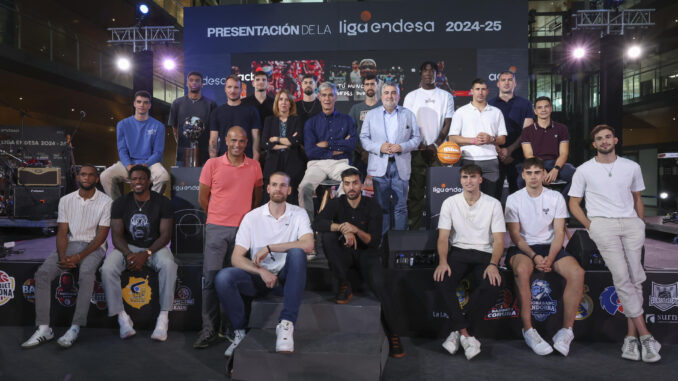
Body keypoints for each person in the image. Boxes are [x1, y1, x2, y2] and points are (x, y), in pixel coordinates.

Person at [569, 125, 661, 363]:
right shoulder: (583, 170)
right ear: (594, 144)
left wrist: (640, 223)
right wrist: (590, 226)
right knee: (622, 277)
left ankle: (631, 339)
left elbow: (637, 198)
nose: (604, 141)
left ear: (616, 140)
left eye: (608, 137)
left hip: (631, 225)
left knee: (636, 278)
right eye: (599, 138)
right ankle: (646, 335)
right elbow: (573, 203)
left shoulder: (632, 167)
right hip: (603, 225)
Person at [215, 172, 314, 356]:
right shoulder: (252, 217)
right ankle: (240, 332)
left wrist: (270, 248)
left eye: (282, 185)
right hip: (259, 278)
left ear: (289, 190)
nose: (278, 189)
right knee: (223, 277)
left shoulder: (298, 213)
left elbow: (308, 244)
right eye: (274, 185)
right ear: (268, 188)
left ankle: (286, 324)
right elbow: (236, 258)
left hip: (286, 278)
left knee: (297, 253)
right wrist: (261, 271)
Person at [313, 168, 405, 358]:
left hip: (367, 254)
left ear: (361, 185)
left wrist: (355, 230)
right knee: (328, 238)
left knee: (382, 287)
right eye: (347, 183)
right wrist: (341, 228)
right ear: (343, 186)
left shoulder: (373, 206)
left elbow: (373, 240)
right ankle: (344, 283)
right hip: (345, 253)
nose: (351, 187)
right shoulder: (337, 203)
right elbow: (318, 223)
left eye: (355, 183)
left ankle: (394, 334)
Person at [21, 165, 112, 349]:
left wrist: (79, 257)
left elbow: (101, 237)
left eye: (91, 175)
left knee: (86, 273)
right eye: (83, 174)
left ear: (96, 179)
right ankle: (44, 328)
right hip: (71, 244)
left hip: (95, 247)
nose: (86, 178)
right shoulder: (66, 200)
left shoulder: (106, 201)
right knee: (43, 274)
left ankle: (75, 327)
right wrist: (63, 256)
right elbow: (62, 232)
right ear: (78, 177)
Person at [505, 157, 585, 356]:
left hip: (550, 247)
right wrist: (534, 257)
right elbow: (515, 236)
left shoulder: (555, 198)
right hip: (524, 248)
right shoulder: (514, 199)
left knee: (577, 273)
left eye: (537, 172)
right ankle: (529, 330)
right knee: (523, 270)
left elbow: (559, 233)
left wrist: (550, 256)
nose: (533, 176)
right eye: (529, 173)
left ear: (544, 174)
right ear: (523, 175)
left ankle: (566, 331)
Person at [194, 126, 263, 348]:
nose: (237, 145)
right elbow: (203, 198)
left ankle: (234, 327)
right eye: (233, 140)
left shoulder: (254, 166)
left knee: (238, 281)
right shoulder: (212, 164)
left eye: (242, 141)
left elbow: (257, 199)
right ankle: (209, 330)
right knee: (212, 280)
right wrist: (217, 217)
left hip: (244, 232)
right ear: (225, 141)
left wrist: (245, 223)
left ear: (246, 143)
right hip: (216, 228)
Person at [433, 164, 505, 360]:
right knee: (442, 279)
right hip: (459, 252)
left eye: (472, 177)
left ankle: (457, 332)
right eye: (465, 177)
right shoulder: (450, 202)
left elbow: (499, 239)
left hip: (484, 254)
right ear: (461, 180)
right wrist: (442, 261)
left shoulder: (493, 204)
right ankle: (466, 334)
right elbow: (443, 238)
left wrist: (493, 264)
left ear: (480, 179)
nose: (468, 181)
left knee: (492, 285)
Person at [101, 165, 177, 341]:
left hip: (155, 247)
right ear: (129, 181)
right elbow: (116, 236)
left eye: (141, 179)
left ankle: (163, 319)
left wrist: (147, 253)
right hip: (128, 247)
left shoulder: (163, 202)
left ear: (149, 181)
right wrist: (129, 254)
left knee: (169, 265)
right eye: (134, 179)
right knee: (107, 269)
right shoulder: (120, 203)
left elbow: (165, 236)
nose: (137, 182)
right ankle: (122, 318)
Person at [360, 82, 421, 235]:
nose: (390, 96)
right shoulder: (371, 115)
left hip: (400, 166)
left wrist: (402, 147)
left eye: (393, 92)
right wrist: (379, 147)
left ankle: (400, 243)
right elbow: (364, 138)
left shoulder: (408, 114)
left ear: (399, 96)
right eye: (386, 92)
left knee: (401, 207)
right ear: (381, 96)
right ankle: (383, 244)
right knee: (381, 207)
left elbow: (416, 138)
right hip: (379, 167)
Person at [403, 61, 454, 229]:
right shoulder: (411, 96)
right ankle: (414, 230)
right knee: (416, 194)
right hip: (417, 152)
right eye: (425, 70)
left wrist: (435, 144)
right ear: (420, 73)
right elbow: (407, 124)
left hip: (439, 153)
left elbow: (448, 123)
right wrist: (420, 144)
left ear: (436, 74)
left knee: (441, 192)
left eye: (432, 71)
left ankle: (441, 231)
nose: (428, 73)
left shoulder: (445, 96)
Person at [299, 82, 357, 221]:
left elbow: (351, 145)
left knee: (352, 179)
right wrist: (336, 149)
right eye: (324, 95)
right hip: (317, 164)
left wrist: (326, 144)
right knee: (303, 188)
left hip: (340, 164)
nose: (327, 99)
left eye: (330, 95)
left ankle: (335, 211)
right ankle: (307, 226)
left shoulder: (347, 120)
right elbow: (311, 152)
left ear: (336, 97)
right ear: (318, 97)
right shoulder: (311, 123)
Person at [101, 90, 169, 200]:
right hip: (129, 164)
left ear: (149, 105)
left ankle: (149, 204)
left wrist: (144, 165)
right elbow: (122, 150)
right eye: (139, 102)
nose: (142, 105)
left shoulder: (159, 126)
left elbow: (158, 152)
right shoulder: (122, 124)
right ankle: (119, 206)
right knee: (105, 176)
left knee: (163, 177)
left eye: (145, 102)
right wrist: (129, 165)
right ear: (134, 103)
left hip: (150, 164)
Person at [449, 78, 507, 199]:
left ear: (488, 91)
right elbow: (452, 138)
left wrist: (491, 139)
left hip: (491, 161)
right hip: (469, 160)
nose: (480, 92)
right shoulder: (461, 112)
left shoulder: (496, 112)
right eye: (477, 89)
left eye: (483, 89)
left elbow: (502, 139)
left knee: (491, 199)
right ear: (472, 91)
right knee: (470, 199)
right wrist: (474, 141)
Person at [519, 96, 576, 199]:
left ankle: (561, 203)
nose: (543, 110)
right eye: (540, 108)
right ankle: (533, 208)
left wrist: (556, 169)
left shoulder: (561, 128)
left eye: (546, 107)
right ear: (535, 111)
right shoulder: (527, 131)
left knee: (577, 176)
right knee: (521, 180)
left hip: (556, 163)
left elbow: (564, 153)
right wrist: (541, 170)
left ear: (551, 109)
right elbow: (529, 155)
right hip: (536, 163)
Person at [488, 71, 534, 196]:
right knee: (494, 193)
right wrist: (500, 152)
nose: (506, 82)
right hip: (495, 154)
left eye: (509, 80)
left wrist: (510, 150)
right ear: (498, 83)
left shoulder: (525, 104)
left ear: (515, 83)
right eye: (503, 80)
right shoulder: (489, 105)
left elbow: (527, 131)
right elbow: (487, 131)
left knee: (519, 193)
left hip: (519, 154)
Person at [261, 90, 306, 204]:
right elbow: (265, 143)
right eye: (281, 99)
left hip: (293, 163)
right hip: (273, 164)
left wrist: (276, 139)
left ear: (291, 103)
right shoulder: (269, 120)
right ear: (277, 102)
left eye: (287, 100)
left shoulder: (297, 120)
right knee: (270, 198)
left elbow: (297, 141)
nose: (284, 102)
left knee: (291, 198)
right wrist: (288, 142)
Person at [168, 71, 217, 167]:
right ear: (187, 83)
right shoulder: (177, 103)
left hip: (205, 156)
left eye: (197, 80)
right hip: (182, 156)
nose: (194, 82)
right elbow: (174, 128)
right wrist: (184, 143)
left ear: (202, 84)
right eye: (191, 80)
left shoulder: (211, 104)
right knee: (182, 182)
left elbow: (213, 131)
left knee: (204, 182)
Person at [209, 75, 261, 161]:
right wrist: (213, 163)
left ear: (241, 89)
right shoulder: (216, 112)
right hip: (223, 160)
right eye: (229, 87)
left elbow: (256, 139)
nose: (232, 91)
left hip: (247, 160)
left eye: (236, 87)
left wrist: (255, 162)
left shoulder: (252, 111)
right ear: (225, 89)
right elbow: (213, 141)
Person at [349, 74, 382, 177]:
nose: (370, 87)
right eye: (367, 84)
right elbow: (350, 132)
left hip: (380, 153)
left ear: (378, 86)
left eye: (372, 84)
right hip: (360, 154)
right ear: (363, 87)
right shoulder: (356, 109)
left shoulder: (384, 107)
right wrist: (363, 151)